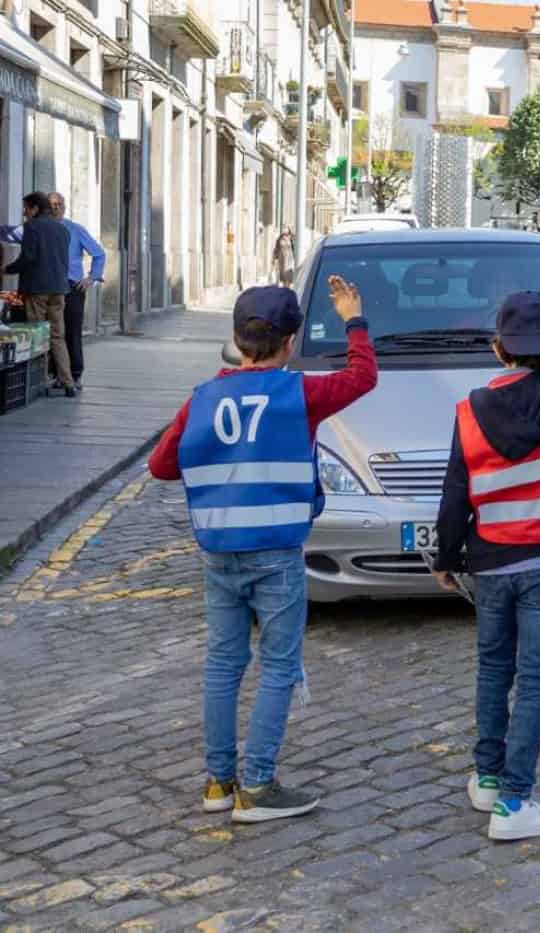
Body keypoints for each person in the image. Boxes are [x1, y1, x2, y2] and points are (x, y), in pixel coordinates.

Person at [147, 279, 378, 822]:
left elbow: (161, 466)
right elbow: (363, 375)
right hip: (276, 551)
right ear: (290, 343)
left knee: (224, 664)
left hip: (219, 551)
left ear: (235, 337)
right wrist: (354, 318)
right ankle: (259, 785)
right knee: (279, 666)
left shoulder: (203, 397)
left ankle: (218, 782)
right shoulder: (300, 394)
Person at [430, 246, 540, 842]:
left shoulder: (470, 411)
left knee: (492, 669)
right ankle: (514, 802)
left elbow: (456, 493)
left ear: (497, 349)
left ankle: (486, 777)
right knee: (535, 679)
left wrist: (445, 559)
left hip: (492, 562)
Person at [5, 192, 75, 396]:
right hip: (59, 289)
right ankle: (67, 382)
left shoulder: (32, 227)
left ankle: (39, 380)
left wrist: (7, 269)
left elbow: (27, 258)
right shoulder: (62, 230)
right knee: (57, 336)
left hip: (37, 289)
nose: (25, 213)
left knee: (37, 334)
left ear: (35, 208)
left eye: (26, 208)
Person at [47, 193, 104, 391]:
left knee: (72, 331)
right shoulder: (43, 229)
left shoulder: (75, 230)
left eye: (59, 204)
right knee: (54, 333)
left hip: (72, 287)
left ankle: (75, 374)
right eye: (52, 204)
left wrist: (91, 277)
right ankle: (57, 375)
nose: (55, 208)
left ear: (65, 207)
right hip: (50, 287)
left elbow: (99, 253)